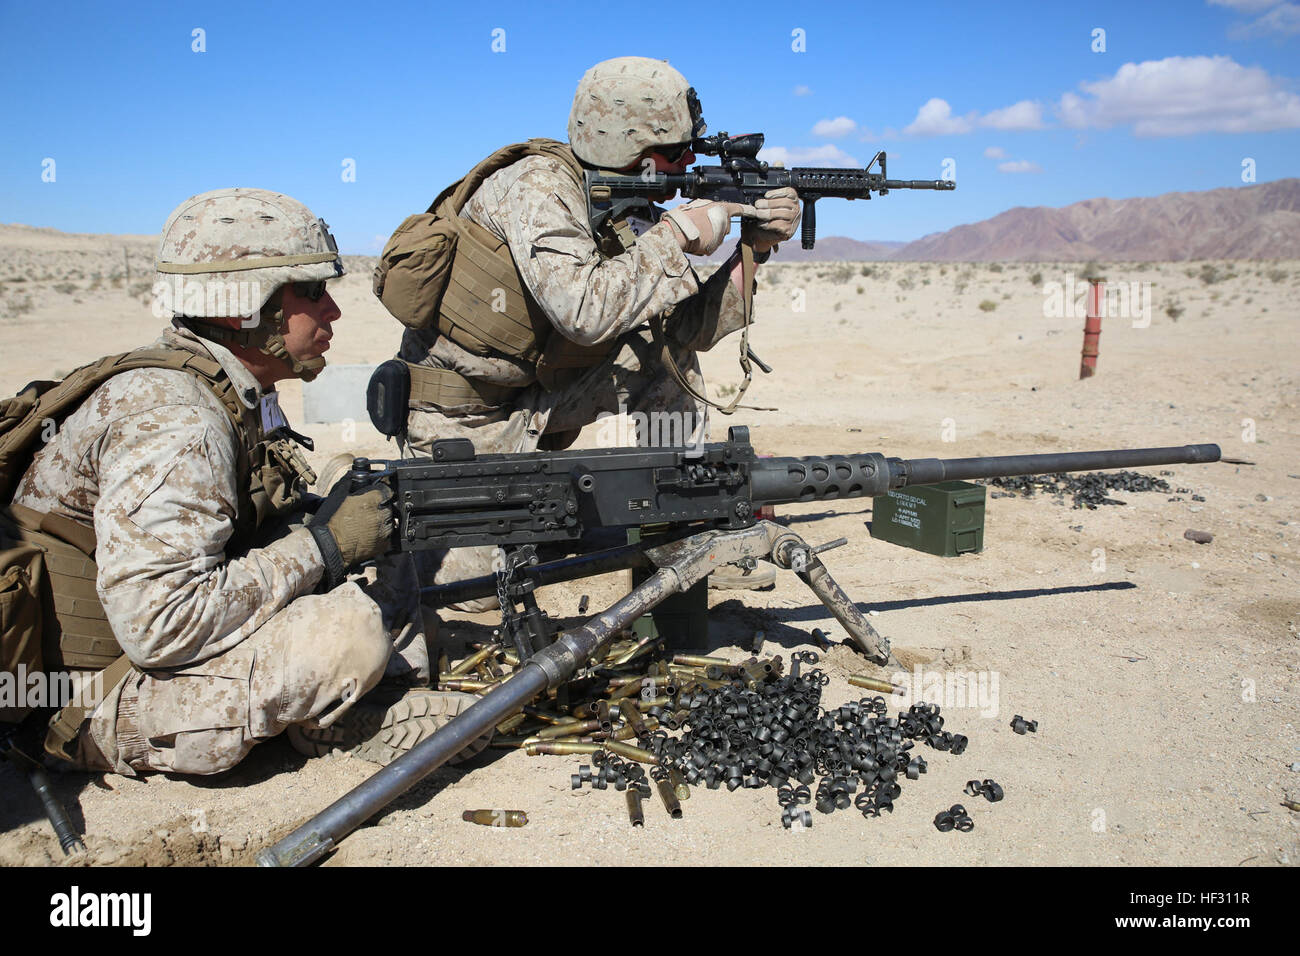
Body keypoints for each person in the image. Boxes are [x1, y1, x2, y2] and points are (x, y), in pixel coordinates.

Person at [3, 188, 486, 776]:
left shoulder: (232, 385)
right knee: (344, 634)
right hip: (85, 697)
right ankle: (336, 718)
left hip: (136, 648)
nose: (332, 311)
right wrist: (326, 547)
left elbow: (258, 515)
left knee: (370, 528)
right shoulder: (180, 420)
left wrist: (333, 525)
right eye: (311, 293)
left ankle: (363, 692)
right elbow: (160, 627)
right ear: (246, 310)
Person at [384, 56, 801, 604]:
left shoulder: (628, 204)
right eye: (675, 152)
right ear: (628, 147)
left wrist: (756, 250)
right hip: (465, 417)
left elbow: (683, 332)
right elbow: (585, 314)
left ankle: (684, 521)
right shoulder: (538, 187)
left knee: (661, 359)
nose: (686, 164)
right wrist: (676, 236)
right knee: (476, 592)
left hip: (538, 396)